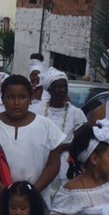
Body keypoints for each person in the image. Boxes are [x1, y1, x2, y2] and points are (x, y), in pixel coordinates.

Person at [0, 75, 64, 196]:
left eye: (22, 97)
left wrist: (33, 192)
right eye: (11, 97)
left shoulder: (45, 125)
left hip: (37, 197)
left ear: (30, 98)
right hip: (1, 198)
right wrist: (1, 188)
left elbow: (53, 164)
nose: (16, 103)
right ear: (2, 98)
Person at [31, 68, 88, 200]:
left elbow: (82, 140)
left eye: (64, 86)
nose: (62, 90)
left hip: (65, 163)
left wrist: (62, 147)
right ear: (49, 89)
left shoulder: (76, 113)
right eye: (58, 86)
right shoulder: (36, 110)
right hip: (41, 160)